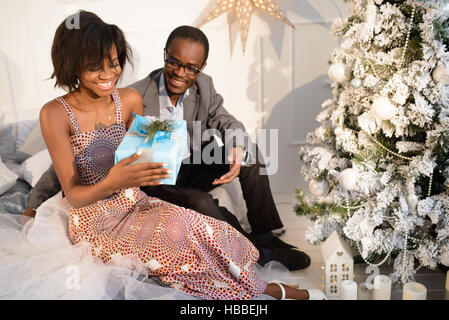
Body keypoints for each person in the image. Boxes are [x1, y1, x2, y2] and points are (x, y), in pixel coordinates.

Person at [21, 10, 324, 300]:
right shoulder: (95, 103)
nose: (181, 73)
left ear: (201, 68)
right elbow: (67, 171)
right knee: (198, 212)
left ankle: (264, 241)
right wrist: (34, 206)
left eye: (114, 63)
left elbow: (225, 122)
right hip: (119, 205)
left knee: (246, 162)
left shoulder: (154, 96)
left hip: (172, 175)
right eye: (175, 63)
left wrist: (235, 145)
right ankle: (261, 283)